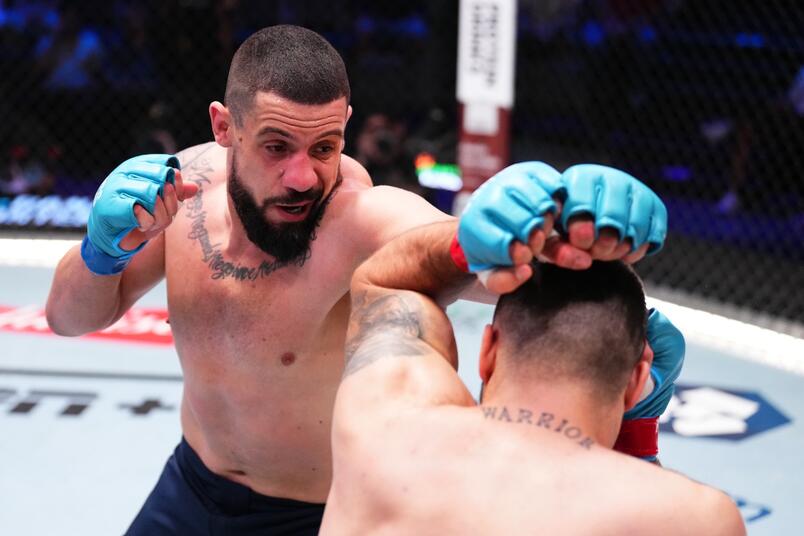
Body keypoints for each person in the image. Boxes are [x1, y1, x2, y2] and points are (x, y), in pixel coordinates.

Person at [45, 25, 668, 535]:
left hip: (314, 515)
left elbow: (489, 263)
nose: (302, 178)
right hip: (189, 486)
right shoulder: (177, 192)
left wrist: (574, 227)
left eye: (324, 148)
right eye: (276, 146)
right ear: (224, 127)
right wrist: (100, 253)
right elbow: (68, 319)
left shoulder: (359, 219)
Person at [322, 220, 745, 535]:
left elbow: (381, 283)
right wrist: (637, 444)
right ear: (638, 382)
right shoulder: (695, 519)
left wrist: (476, 240)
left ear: (487, 350)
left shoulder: (382, 423)